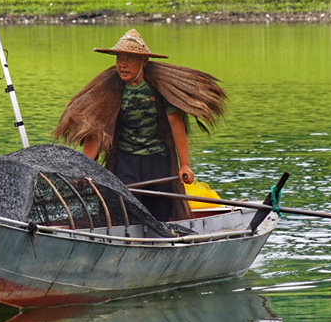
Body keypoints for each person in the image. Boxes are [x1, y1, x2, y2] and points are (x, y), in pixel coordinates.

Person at [54, 29, 226, 223]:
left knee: (159, 214)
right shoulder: (110, 91)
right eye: (119, 58)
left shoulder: (160, 89)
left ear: (144, 62)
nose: (122, 64)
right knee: (128, 213)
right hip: (126, 163)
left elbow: (177, 128)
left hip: (157, 162)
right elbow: (97, 133)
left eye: (129, 58)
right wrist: (83, 170)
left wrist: (185, 165)